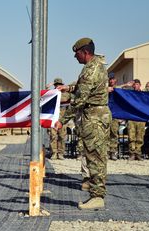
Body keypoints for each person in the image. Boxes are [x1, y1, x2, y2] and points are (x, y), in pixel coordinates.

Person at [55, 38, 111, 210]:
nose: (75, 57)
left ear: (85, 52)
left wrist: (62, 121)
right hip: (97, 116)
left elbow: (79, 100)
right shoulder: (96, 66)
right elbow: (83, 88)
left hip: (94, 118)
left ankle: (97, 196)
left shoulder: (90, 70)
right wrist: (68, 88)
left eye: (76, 53)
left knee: (95, 158)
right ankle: (96, 193)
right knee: (95, 156)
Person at [48, 78, 69, 160]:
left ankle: (60, 153)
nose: (58, 86)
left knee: (62, 136)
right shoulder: (51, 93)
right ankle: (54, 153)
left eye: (59, 84)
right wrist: (46, 88)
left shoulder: (66, 94)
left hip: (63, 119)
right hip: (53, 118)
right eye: (56, 84)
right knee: (53, 136)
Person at [127, 79, 145, 160]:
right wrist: (127, 85)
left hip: (140, 117)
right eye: (134, 84)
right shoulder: (130, 94)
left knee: (140, 136)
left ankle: (138, 153)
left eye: (137, 84)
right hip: (131, 117)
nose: (135, 86)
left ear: (140, 85)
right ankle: (132, 153)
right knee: (131, 136)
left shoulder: (144, 94)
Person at [107, 72, 120, 160]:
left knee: (114, 133)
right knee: (106, 134)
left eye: (113, 79)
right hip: (106, 114)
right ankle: (107, 152)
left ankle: (113, 151)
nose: (111, 81)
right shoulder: (105, 89)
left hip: (115, 114)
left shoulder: (118, 90)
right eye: (110, 79)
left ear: (115, 80)